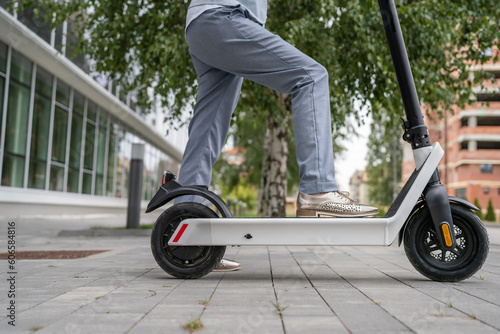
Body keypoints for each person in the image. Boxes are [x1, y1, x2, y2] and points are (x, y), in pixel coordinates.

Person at [180, 0, 379, 271]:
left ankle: (185, 229)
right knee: (311, 77)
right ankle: (318, 188)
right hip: (223, 17)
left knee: (209, 125)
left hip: (202, 24)